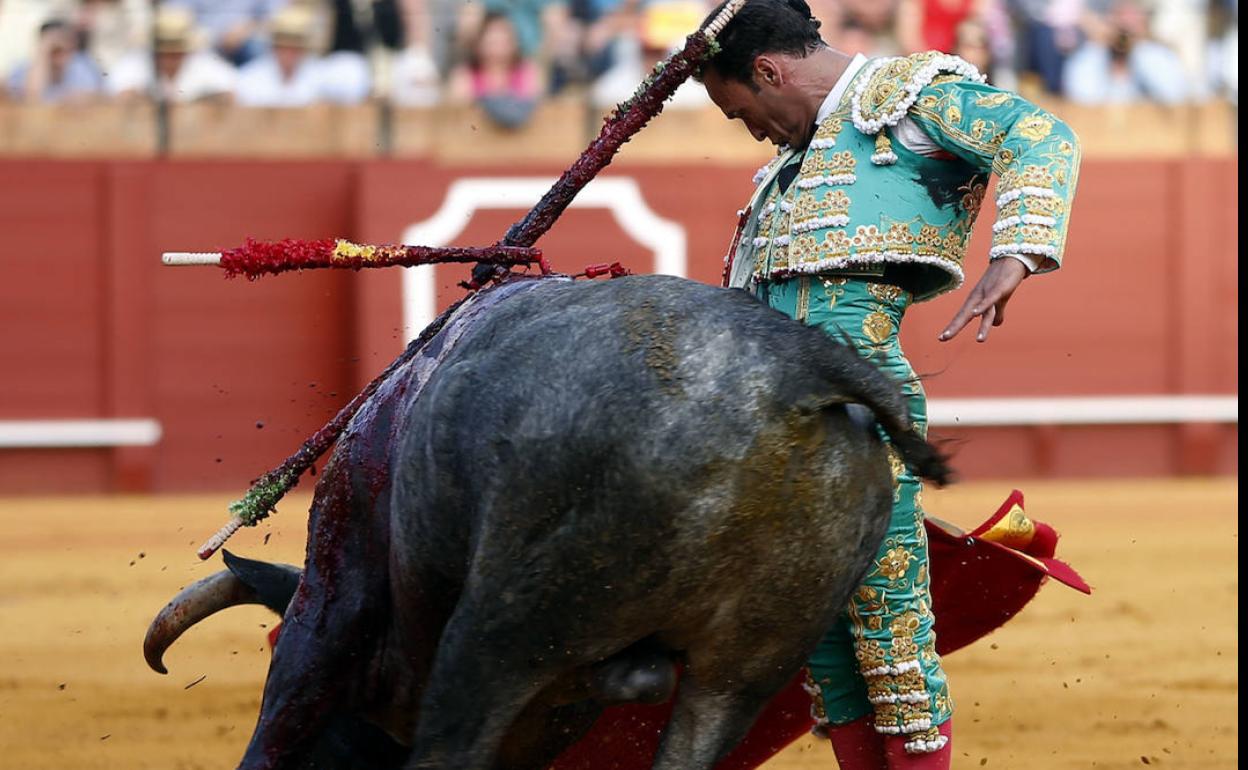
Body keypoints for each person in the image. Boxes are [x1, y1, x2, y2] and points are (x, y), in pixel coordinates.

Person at [698, 0, 1080, 766]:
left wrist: (1018, 250)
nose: (753, 132)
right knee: (825, 636)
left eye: (742, 111)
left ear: (769, 71)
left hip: (857, 398)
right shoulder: (790, 163)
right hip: (771, 415)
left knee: (889, 623)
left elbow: (1038, 134)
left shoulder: (907, 98)